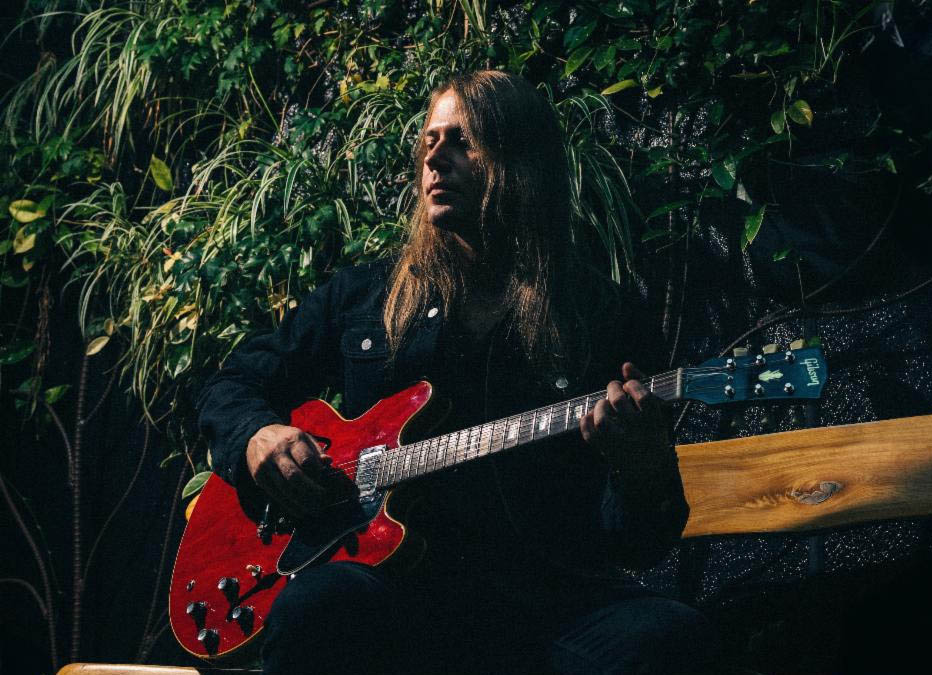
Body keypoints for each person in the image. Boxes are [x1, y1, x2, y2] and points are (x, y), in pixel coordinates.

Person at [197, 70, 718, 674]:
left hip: (545, 604)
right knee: (319, 605)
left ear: (523, 162)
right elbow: (233, 383)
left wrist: (642, 469)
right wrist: (257, 435)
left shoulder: (599, 315)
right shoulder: (367, 295)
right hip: (401, 598)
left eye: (463, 141)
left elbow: (637, 544)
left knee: (668, 638)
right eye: (429, 141)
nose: (434, 158)